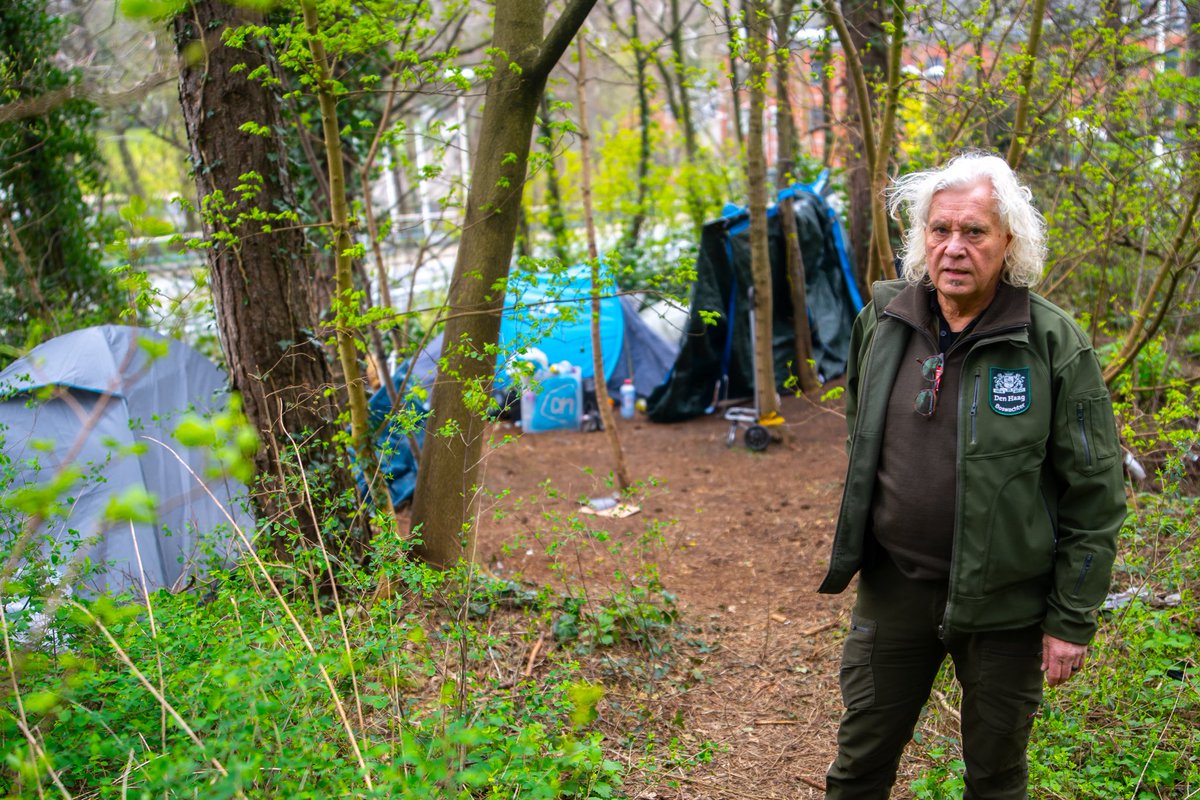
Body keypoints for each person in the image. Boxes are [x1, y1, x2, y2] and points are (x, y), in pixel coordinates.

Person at [819, 152, 1127, 799]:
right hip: (894, 588)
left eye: (974, 232)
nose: (954, 247)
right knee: (858, 768)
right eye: (940, 229)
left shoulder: (1051, 343)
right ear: (921, 237)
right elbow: (861, 430)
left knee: (995, 777)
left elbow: (1095, 494)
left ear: (1008, 241)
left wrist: (1070, 619)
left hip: (1006, 607)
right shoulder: (883, 322)